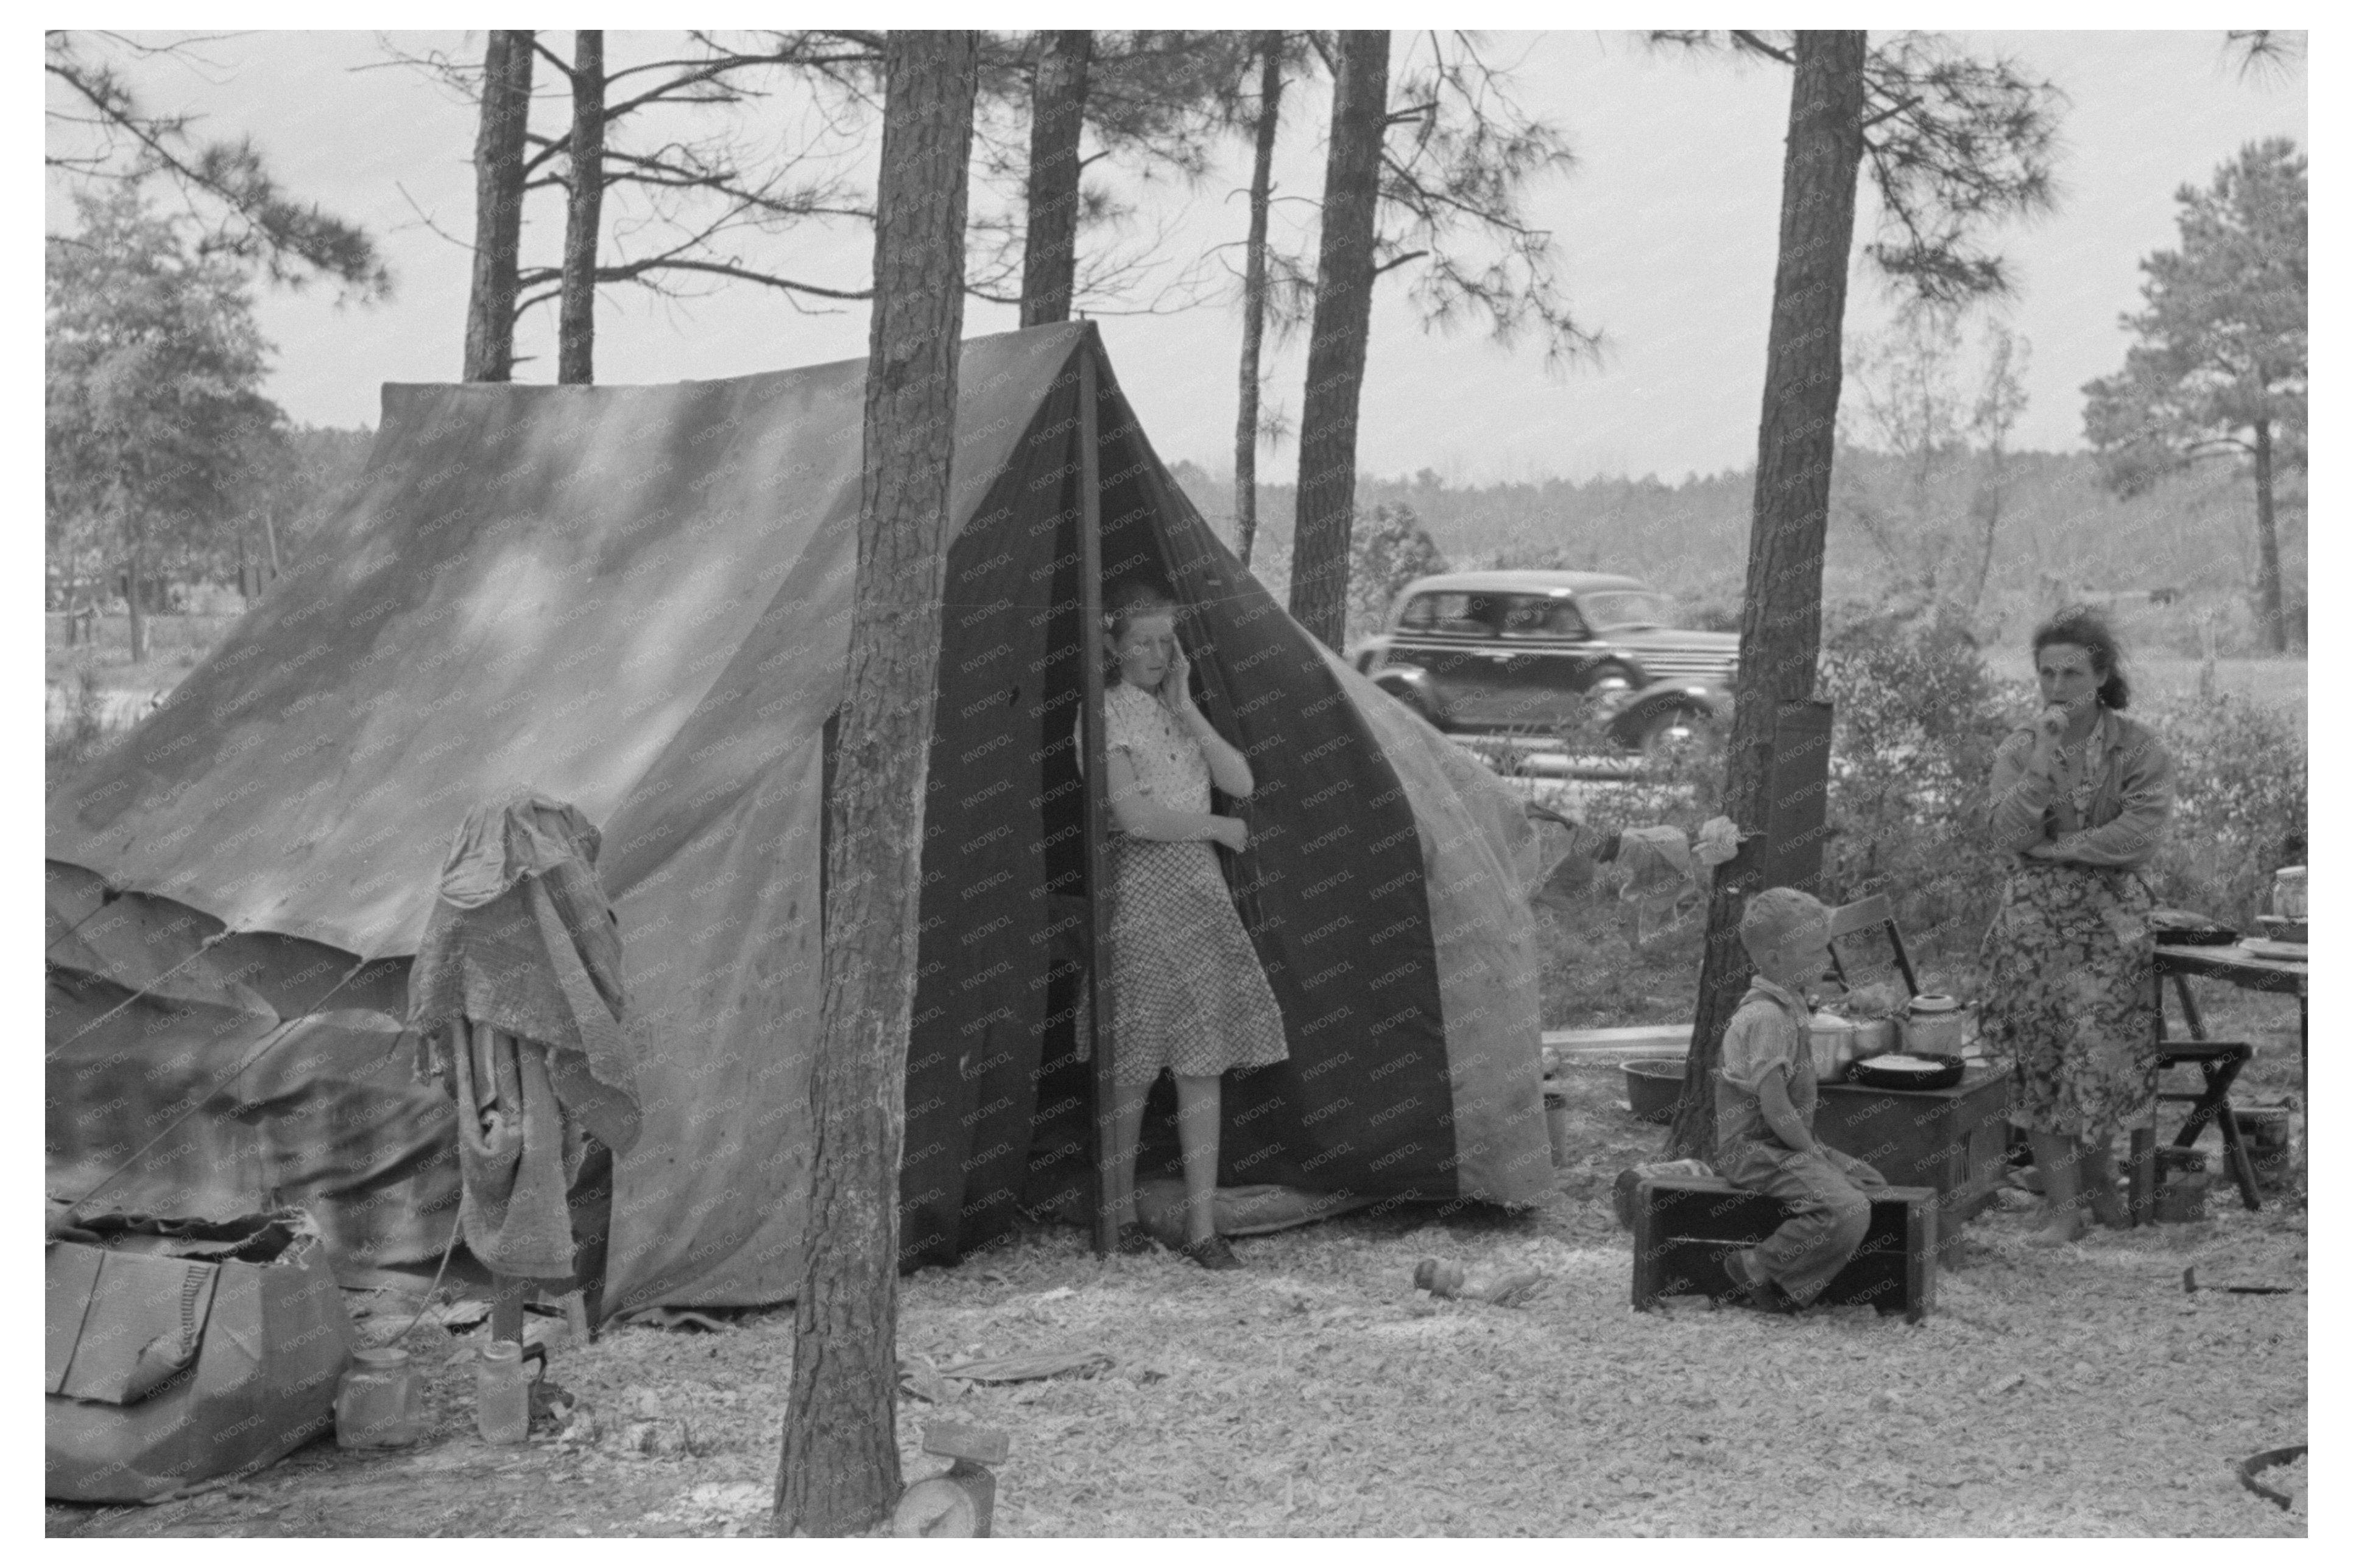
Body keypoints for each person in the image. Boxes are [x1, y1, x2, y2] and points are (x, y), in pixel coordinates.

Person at [1092, 583, 1288, 1270]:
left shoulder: (1177, 714)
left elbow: (1242, 780)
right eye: (1140, 640)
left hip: (1200, 900)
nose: (1153, 652)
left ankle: (1203, 1229)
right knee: (1133, 1066)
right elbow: (1133, 818)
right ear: (1114, 646)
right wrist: (1216, 828)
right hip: (1142, 901)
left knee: (1201, 1063)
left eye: (1163, 641)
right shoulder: (1106, 714)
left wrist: (1188, 710)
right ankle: (1116, 1219)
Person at [1980, 606, 2175, 1243]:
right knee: (2042, 1059)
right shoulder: (2018, 747)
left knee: (2102, 1058)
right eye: (2046, 672)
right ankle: (2062, 1209)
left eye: (2071, 672)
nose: (2057, 685)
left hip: (2111, 927)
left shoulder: (2138, 747)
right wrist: (2041, 756)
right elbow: (2007, 833)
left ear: (2099, 674)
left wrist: (2059, 847)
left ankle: (2104, 1190)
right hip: (2034, 929)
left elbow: (2138, 836)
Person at [1711, 886, 1889, 1312]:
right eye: (1814, 952)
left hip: (1780, 1144)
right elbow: (1774, 1108)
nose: (1825, 962)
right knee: (1848, 1208)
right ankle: (1756, 1265)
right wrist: (1816, 1155)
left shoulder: (1788, 1004)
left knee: (1873, 1184)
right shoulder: (1766, 1017)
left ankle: (1809, 1272)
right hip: (1753, 1148)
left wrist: (1820, 1155)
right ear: (1774, 959)